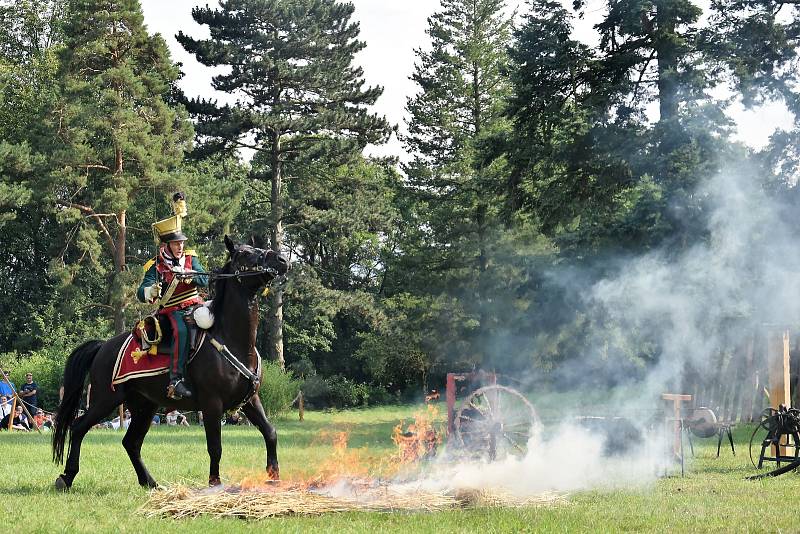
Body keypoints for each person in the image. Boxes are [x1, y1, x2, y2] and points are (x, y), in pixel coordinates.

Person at [137, 193, 208, 400]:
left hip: (196, 305)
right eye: (177, 244)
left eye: (182, 243)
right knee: (182, 331)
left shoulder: (191, 259)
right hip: (172, 310)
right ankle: (175, 380)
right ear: (166, 245)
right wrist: (151, 291)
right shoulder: (156, 266)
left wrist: (192, 276)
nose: (181, 247)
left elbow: (205, 280)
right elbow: (141, 291)